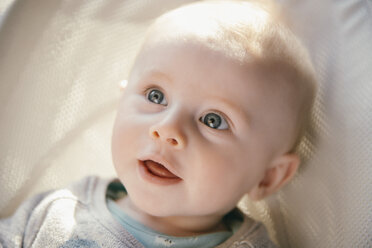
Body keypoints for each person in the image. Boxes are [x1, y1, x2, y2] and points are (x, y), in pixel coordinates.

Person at [0, 1, 317, 247]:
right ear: (122, 101)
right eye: (155, 95)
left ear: (267, 176)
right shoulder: (55, 212)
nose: (167, 129)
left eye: (213, 120)